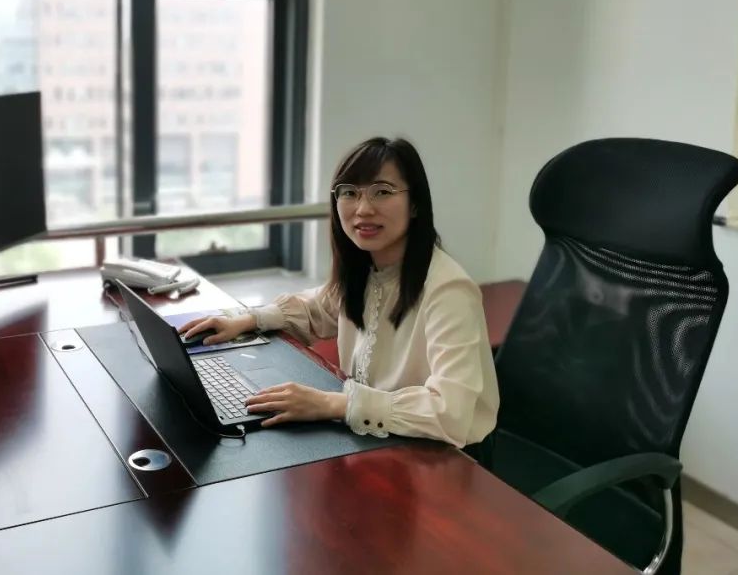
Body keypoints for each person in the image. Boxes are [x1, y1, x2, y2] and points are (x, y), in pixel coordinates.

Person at [179, 137, 499, 448]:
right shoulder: (367, 268)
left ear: (415, 204)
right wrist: (248, 319)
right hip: (379, 440)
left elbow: (451, 412)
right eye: (349, 193)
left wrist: (332, 404)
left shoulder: (449, 289)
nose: (363, 208)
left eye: (382, 192)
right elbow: (317, 308)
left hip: (443, 456)